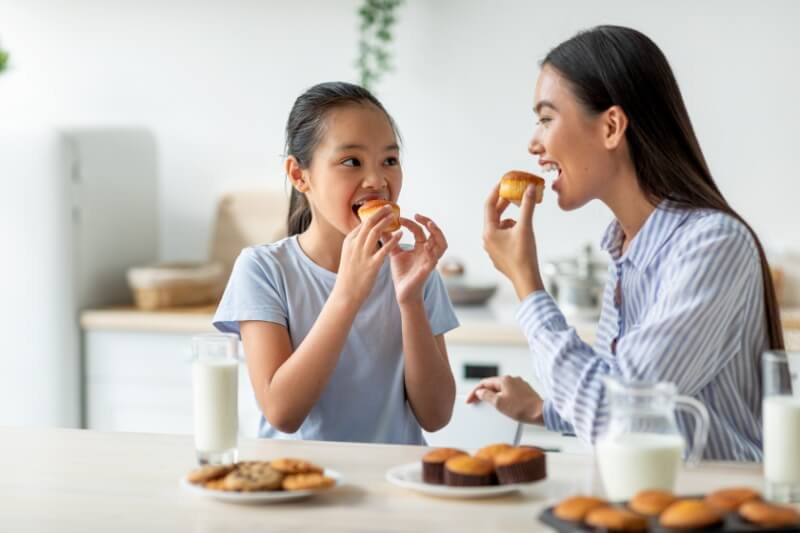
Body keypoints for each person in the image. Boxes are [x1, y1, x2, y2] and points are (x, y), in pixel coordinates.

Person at [467, 25, 784, 461]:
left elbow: (620, 423)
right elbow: (628, 392)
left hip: (716, 508)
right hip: (649, 495)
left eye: (545, 118)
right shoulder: (626, 249)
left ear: (612, 126)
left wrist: (527, 285)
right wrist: (546, 409)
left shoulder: (713, 245)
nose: (534, 143)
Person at [214, 81, 458, 444]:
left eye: (389, 160)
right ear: (300, 176)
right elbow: (282, 412)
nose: (377, 180)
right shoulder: (264, 270)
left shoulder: (413, 269)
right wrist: (347, 293)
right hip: (299, 484)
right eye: (351, 162)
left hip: (393, 486)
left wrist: (409, 301)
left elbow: (436, 415)